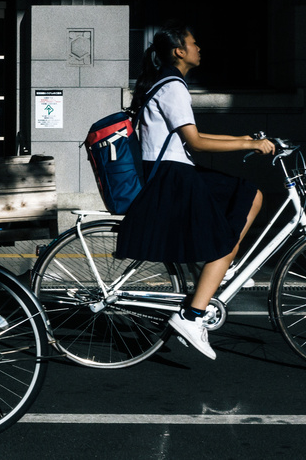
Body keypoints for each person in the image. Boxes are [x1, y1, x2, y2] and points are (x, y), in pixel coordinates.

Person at [115, 21, 275, 360]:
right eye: (194, 43)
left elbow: (193, 141)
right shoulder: (172, 86)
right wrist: (249, 143)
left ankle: (220, 267)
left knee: (251, 195)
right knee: (230, 227)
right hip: (174, 177)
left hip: (175, 173)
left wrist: (249, 141)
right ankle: (191, 315)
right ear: (178, 51)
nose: (199, 48)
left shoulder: (162, 83)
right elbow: (197, 142)